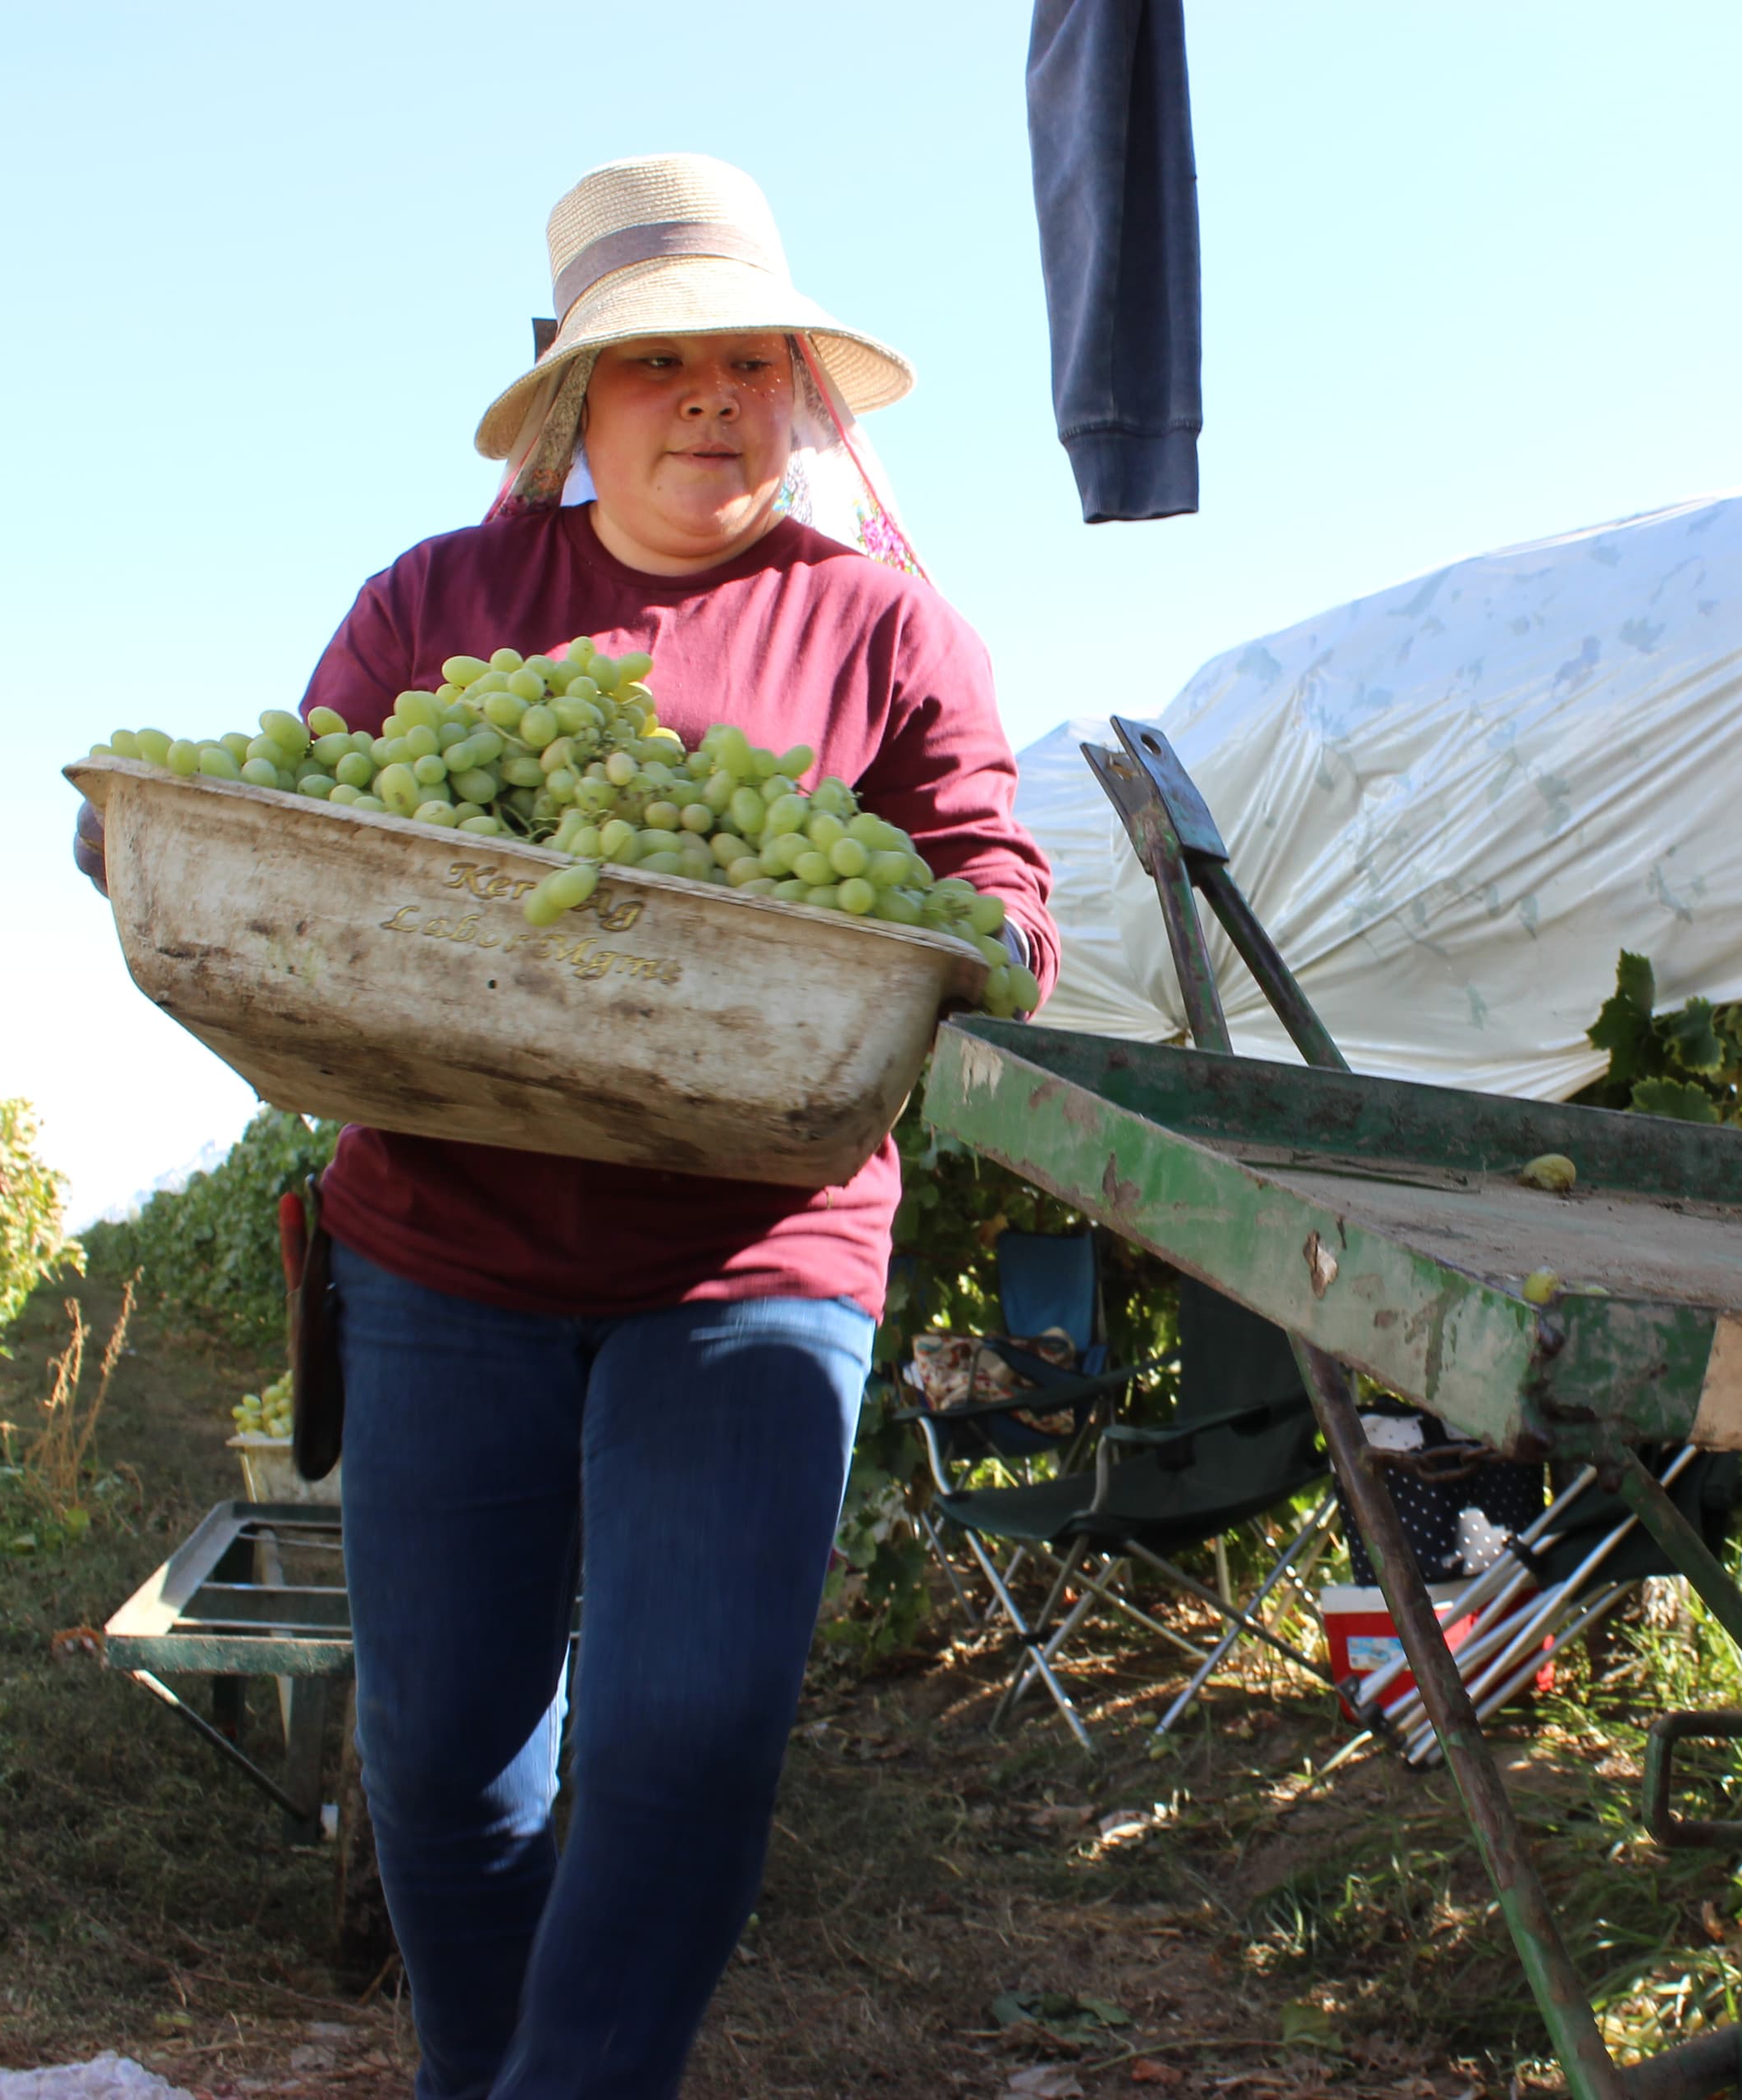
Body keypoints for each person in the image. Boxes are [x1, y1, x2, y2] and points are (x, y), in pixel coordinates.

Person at [89, 154, 1055, 2099]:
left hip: (754, 1251)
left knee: (691, 1725)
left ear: (800, 393)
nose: (710, 397)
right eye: (655, 362)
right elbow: (322, 827)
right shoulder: (442, 597)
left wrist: (966, 935)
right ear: (571, 399)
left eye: (748, 361)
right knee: (444, 1750)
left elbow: (995, 884)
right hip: (445, 1241)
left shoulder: (882, 630)